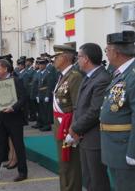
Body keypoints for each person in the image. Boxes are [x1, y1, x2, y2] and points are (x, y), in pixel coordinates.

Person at [100, 31, 135, 191]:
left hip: (127, 149)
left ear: (116, 52)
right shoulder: (121, 73)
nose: (107, 54)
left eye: (107, 50)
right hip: (116, 147)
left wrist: (134, 151)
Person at [69, 43, 111, 191]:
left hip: (95, 138)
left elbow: (95, 111)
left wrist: (75, 127)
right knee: (89, 179)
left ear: (86, 59)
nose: (77, 60)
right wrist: (75, 127)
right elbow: (79, 106)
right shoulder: (88, 77)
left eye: (79, 57)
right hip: (84, 136)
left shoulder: (102, 79)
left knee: (97, 180)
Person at [0, 59, 28, 183]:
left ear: (5, 69)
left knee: (18, 146)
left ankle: (23, 172)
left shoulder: (16, 80)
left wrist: (13, 108)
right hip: (1, 118)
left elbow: (23, 98)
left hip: (14, 118)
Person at [48, 45, 83, 191]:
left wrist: (73, 130)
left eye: (56, 57)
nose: (54, 60)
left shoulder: (75, 77)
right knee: (64, 165)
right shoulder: (63, 76)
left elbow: (77, 107)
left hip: (68, 127)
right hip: (60, 126)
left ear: (65, 58)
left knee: (71, 166)